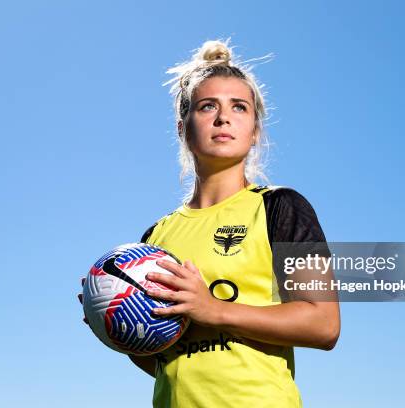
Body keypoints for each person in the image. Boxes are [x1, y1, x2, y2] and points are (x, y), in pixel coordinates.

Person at [81, 39, 340, 408]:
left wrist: (213, 309)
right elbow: (165, 360)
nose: (223, 117)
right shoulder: (155, 240)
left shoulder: (281, 208)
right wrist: (113, 324)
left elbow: (324, 323)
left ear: (254, 132)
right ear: (182, 128)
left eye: (239, 107)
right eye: (207, 107)